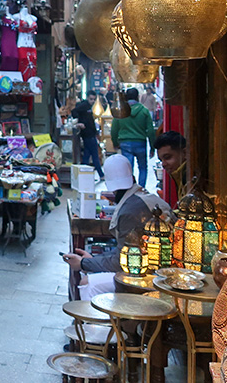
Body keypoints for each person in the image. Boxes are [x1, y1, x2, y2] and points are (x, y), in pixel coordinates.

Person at [62, 154, 172, 301]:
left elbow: (120, 262)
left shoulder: (129, 211)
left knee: (88, 284)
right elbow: (123, 251)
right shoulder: (144, 196)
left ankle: (97, 323)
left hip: (150, 275)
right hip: (158, 270)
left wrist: (83, 263)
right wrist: (93, 260)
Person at [111, 87, 156, 189]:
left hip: (125, 143)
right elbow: (150, 130)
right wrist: (153, 147)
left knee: (128, 169)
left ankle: (129, 189)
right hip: (140, 142)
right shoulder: (144, 111)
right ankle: (141, 189)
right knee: (143, 168)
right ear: (138, 97)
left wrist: (115, 143)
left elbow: (114, 129)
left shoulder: (121, 111)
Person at [71, 91, 103, 179]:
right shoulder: (84, 105)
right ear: (87, 98)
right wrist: (79, 123)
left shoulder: (87, 106)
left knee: (87, 155)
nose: (92, 101)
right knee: (94, 154)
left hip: (88, 134)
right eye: (91, 99)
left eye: (94, 99)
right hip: (88, 134)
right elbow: (74, 111)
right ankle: (101, 174)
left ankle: (84, 174)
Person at [155, 131, 186, 210]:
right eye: (161, 160)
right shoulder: (179, 175)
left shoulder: (190, 177)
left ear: (184, 153)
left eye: (167, 157)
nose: (163, 164)